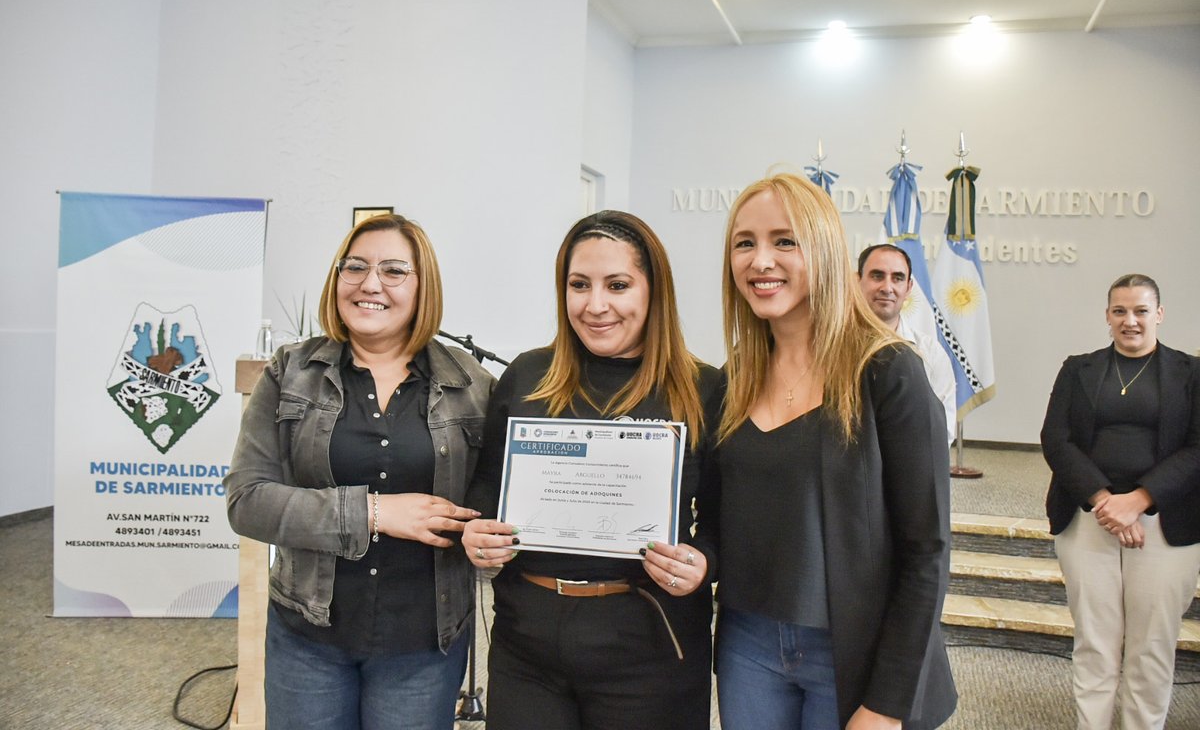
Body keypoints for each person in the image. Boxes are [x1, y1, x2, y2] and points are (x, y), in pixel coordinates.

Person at [224, 213, 495, 730]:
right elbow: (247, 500)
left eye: (394, 271)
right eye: (356, 267)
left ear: (423, 287)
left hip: (424, 643)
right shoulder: (290, 373)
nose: (370, 283)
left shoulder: (473, 385)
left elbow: (488, 508)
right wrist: (374, 512)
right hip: (308, 635)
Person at [709, 173, 957, 730]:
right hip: (748, 644)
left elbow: (928, 549)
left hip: (853, 650)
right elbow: (720, 522)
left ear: (822, 248)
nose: (760, 261)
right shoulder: (733, 381)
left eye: (784, 240)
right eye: (744, 243)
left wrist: (889, 703)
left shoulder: (890, 372)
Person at [462, 210, 720, 730]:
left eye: (618, 285)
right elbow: (486, 493)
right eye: (579, 285)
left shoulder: (704, 389)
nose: (595, 305)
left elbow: (728, 522)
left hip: (650, 649)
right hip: (527, 649)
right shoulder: (528, 376)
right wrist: (476, 534)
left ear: (654, 291)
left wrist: (703, 564)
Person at [1041, 273, 1200, 730]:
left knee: (1152, 645)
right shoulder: (1079, 369)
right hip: (1090, 518)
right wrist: (1105, 501)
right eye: (1119, 311)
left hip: (1168, 523)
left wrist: (1141, 500)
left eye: (1140, 311)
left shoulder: (1191, 374)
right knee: (1095, 641)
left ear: (1159, 315)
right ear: (1107, 316)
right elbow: (1056, 439)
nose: (1130, 321)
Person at [857, 243, 957, 447]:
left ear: (909, 287)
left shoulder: (931, 354)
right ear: (858, 281)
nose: (887, 287)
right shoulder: (832, 348)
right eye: (877, 276)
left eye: (898, 278)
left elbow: (941, 431)